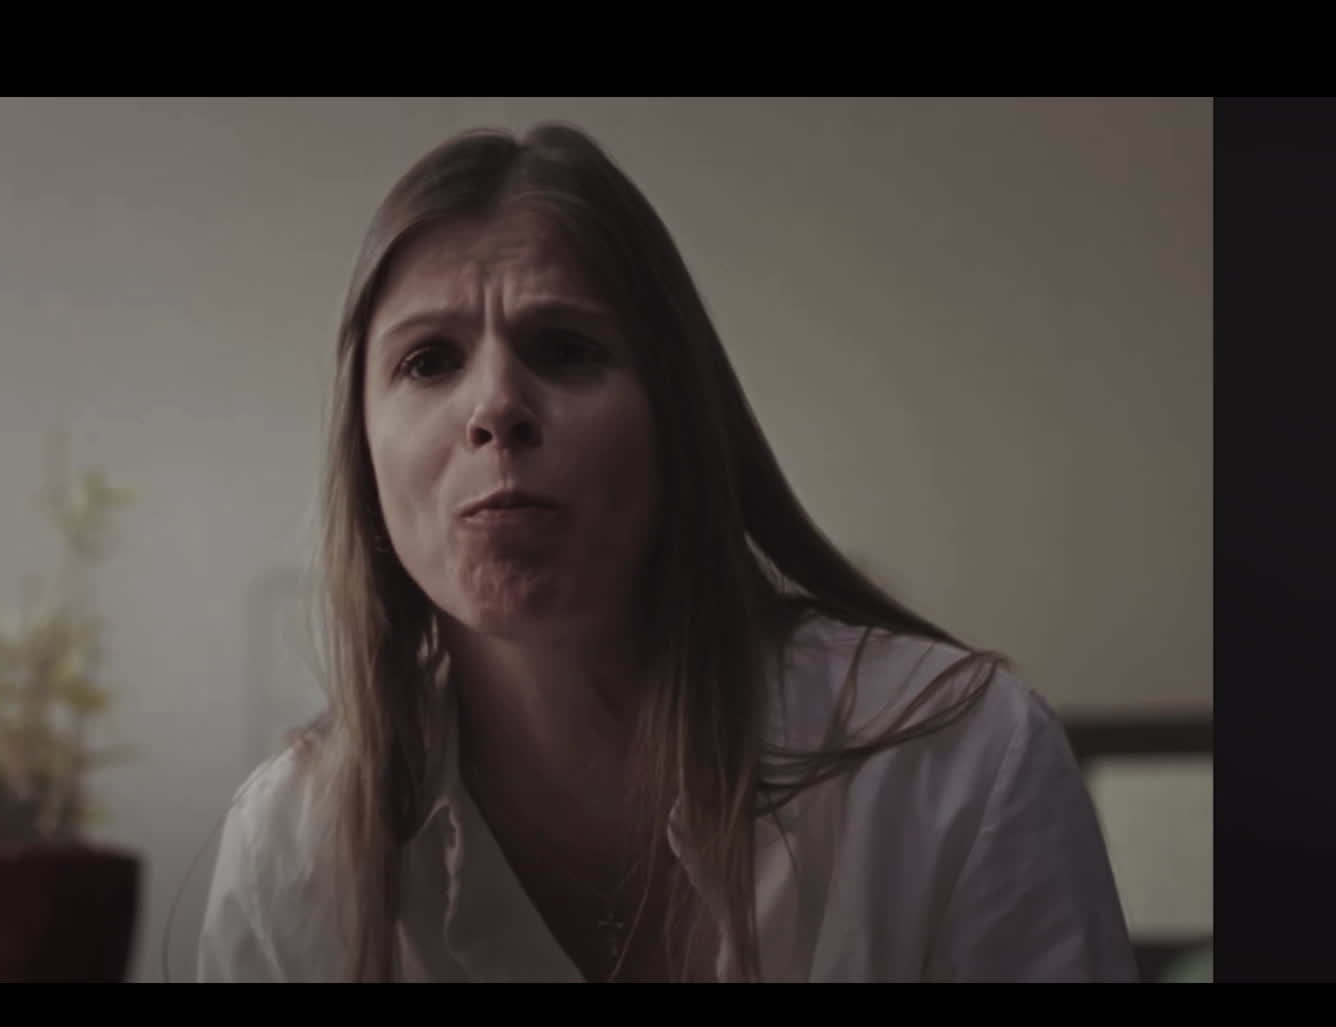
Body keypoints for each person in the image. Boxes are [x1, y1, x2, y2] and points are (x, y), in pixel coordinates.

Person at [196, 122, 1138, 982]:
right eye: (428, 361)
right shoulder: (291, 851)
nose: (495, 406)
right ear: (361, 449)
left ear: (678, 417)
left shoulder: (959, 769)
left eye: (565, 348)